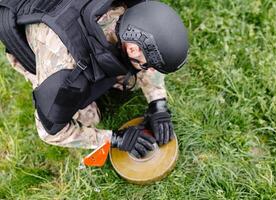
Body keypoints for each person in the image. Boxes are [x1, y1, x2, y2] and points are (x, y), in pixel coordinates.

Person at [0, 0, 189, 159]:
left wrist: (158, 104)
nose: (152, 71)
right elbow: (49, 132)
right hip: (46, 38)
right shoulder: (65, 73)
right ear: (132, 49)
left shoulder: (132, 9)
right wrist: (114, 139)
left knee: (134, 78)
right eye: (149, 66)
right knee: (90, 117)